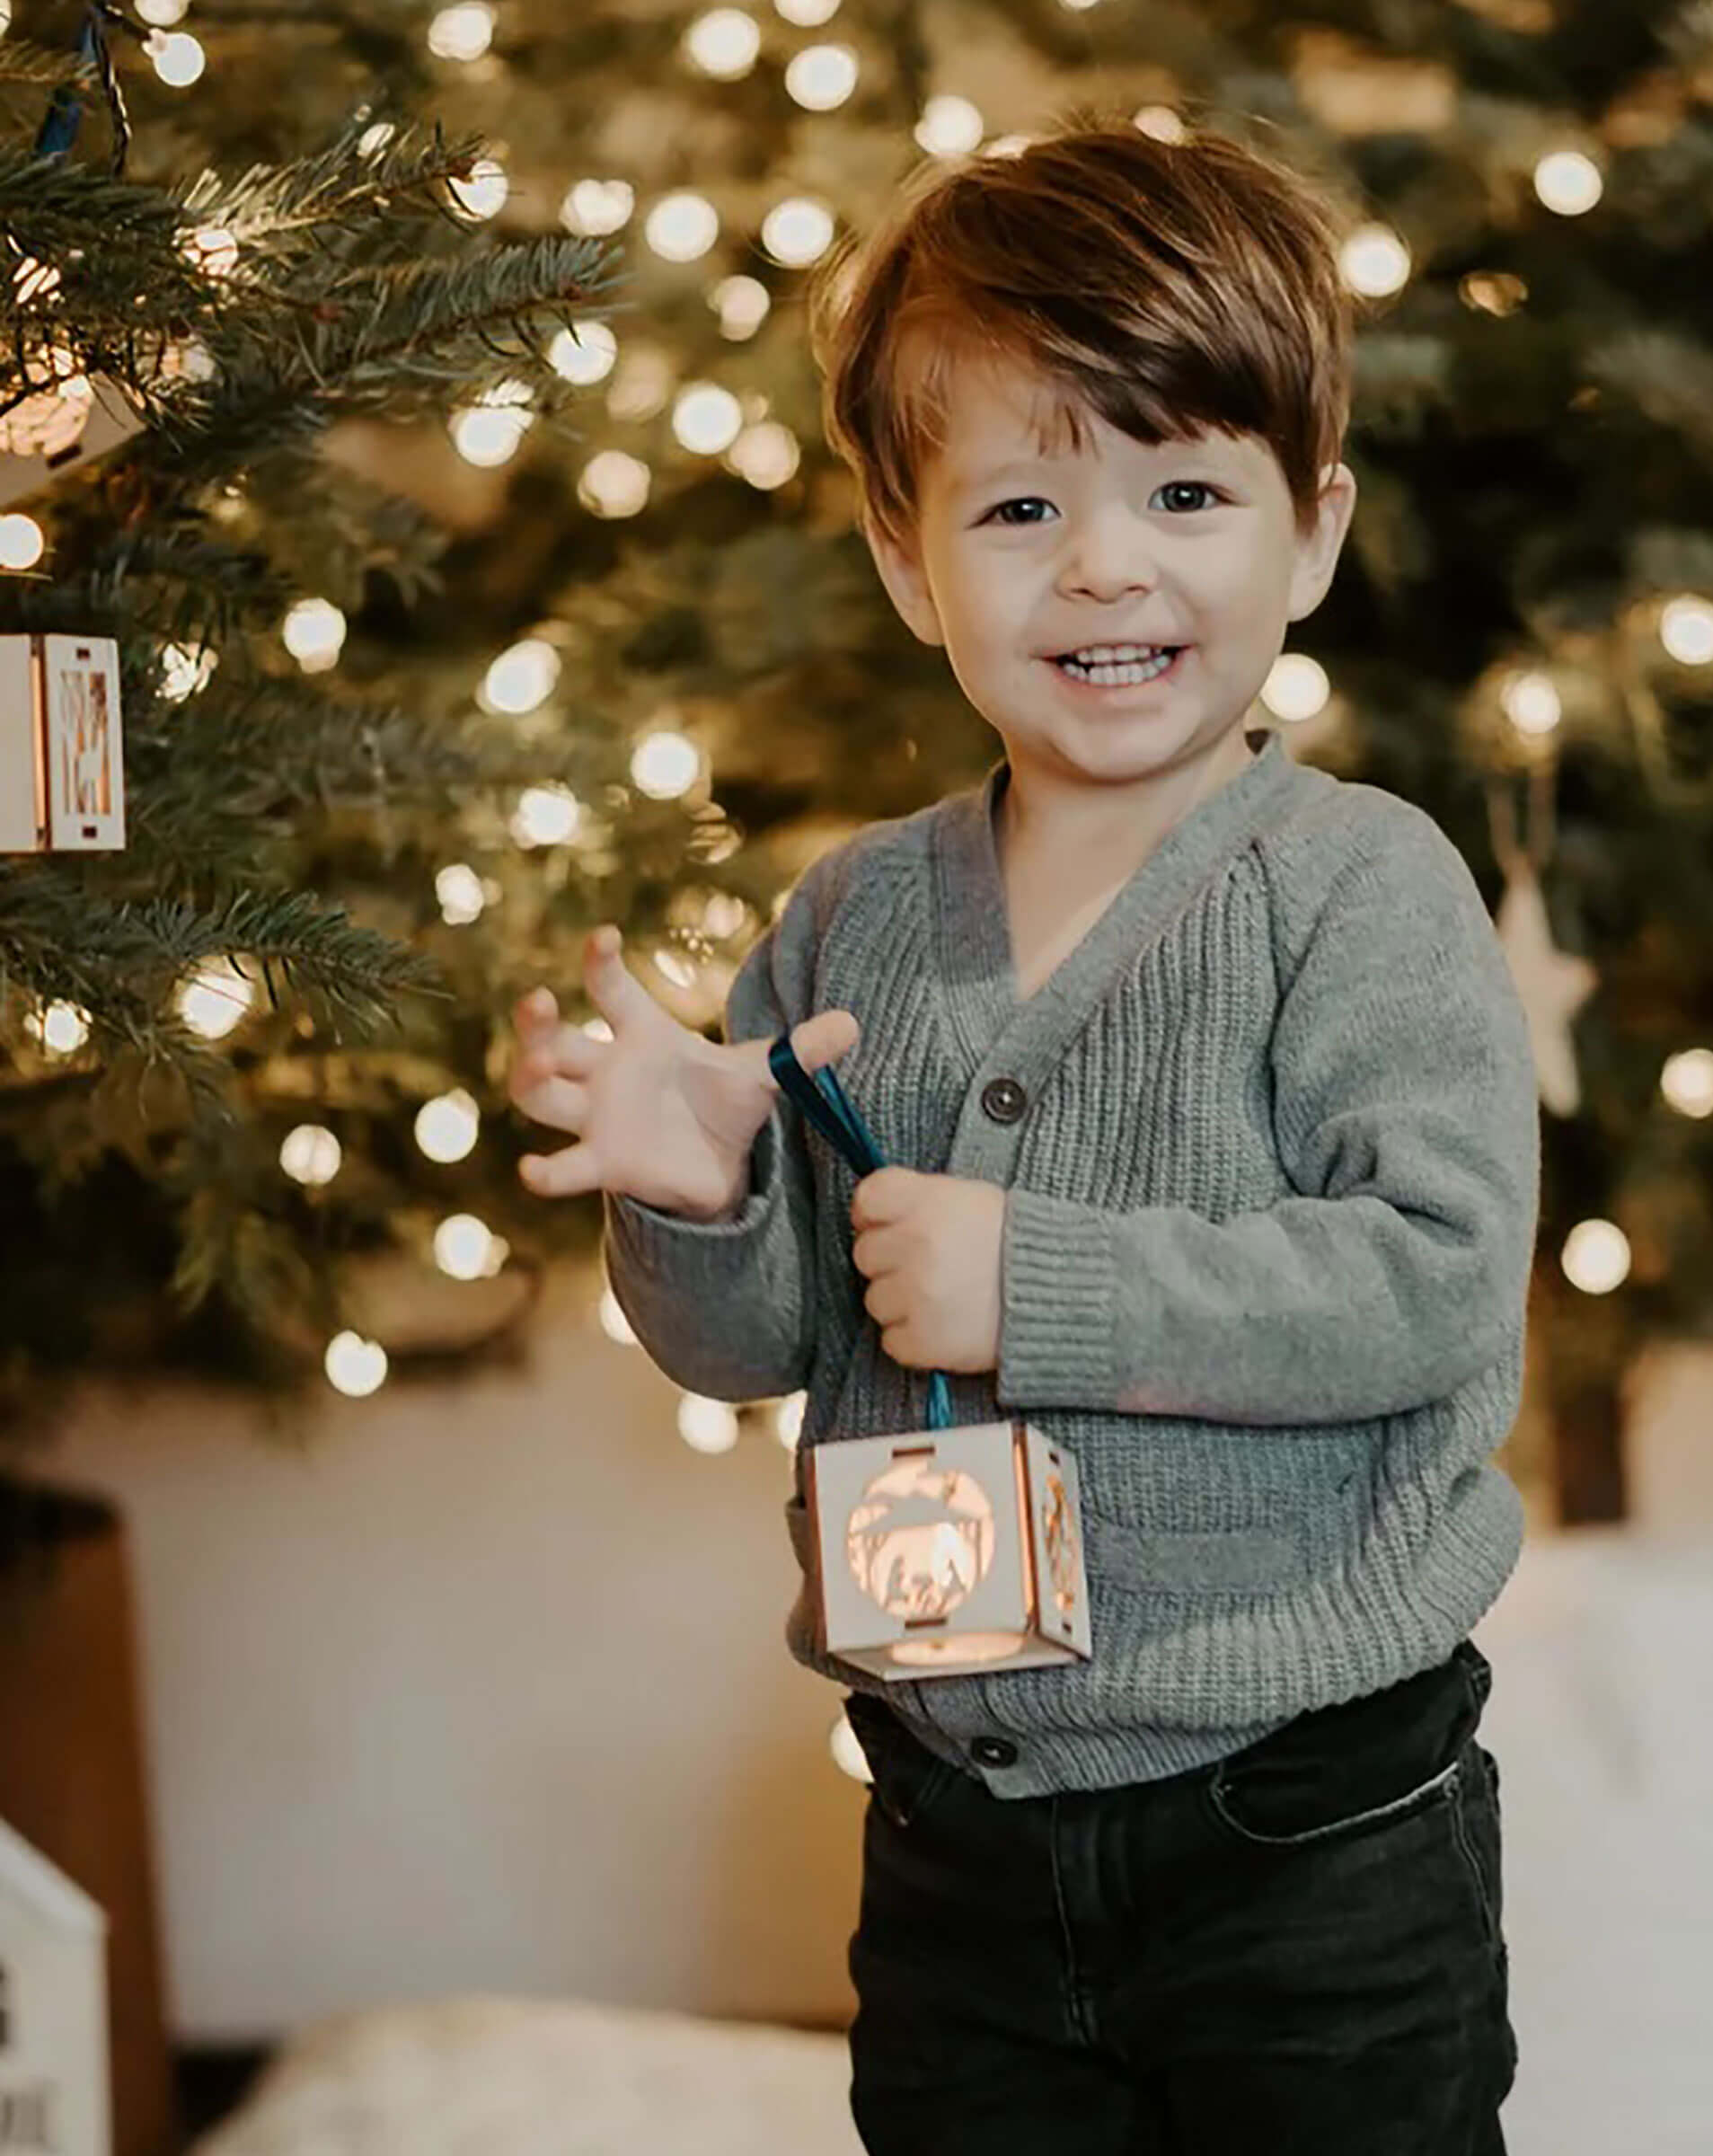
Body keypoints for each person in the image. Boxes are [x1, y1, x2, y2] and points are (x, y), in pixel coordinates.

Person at [508, 109, 1541, 2156]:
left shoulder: (1358, 887)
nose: (1105, 564)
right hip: (955, 1833)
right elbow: (755, 1340)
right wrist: (701, 1194)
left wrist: (1034, 1283)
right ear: (909, 561)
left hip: (1308, 1827)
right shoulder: (852, 916)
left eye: (1185, 490)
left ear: (1311, 535)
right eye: (1019, 508)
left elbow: (1429, 1283)